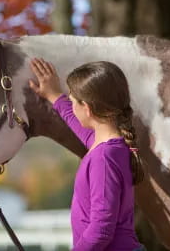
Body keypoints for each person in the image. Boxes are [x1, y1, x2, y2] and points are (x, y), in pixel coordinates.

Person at [29, 57, 146, 251]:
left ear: (88, 109)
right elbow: (79, 127)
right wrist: (54, 96)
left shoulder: (104, 158)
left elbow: (101, 230)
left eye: (73, 101)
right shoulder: (109, 144)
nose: (72, 107)